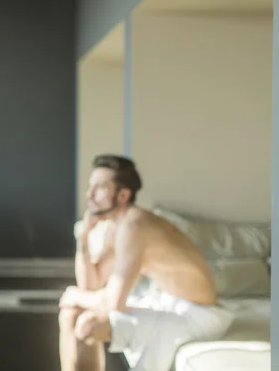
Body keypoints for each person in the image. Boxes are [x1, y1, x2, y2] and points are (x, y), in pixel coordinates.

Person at [58, 154, 234, 371]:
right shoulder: (118, 226)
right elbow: (91, 285)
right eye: (90, 186)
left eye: (100, 188)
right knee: (71, 313)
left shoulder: (134, 226)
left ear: (123, 195)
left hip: (197, 315)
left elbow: (115, 303)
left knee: (87, 324)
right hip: (166, 302)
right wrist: (83, 238)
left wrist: (75, 295)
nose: (90, 194)